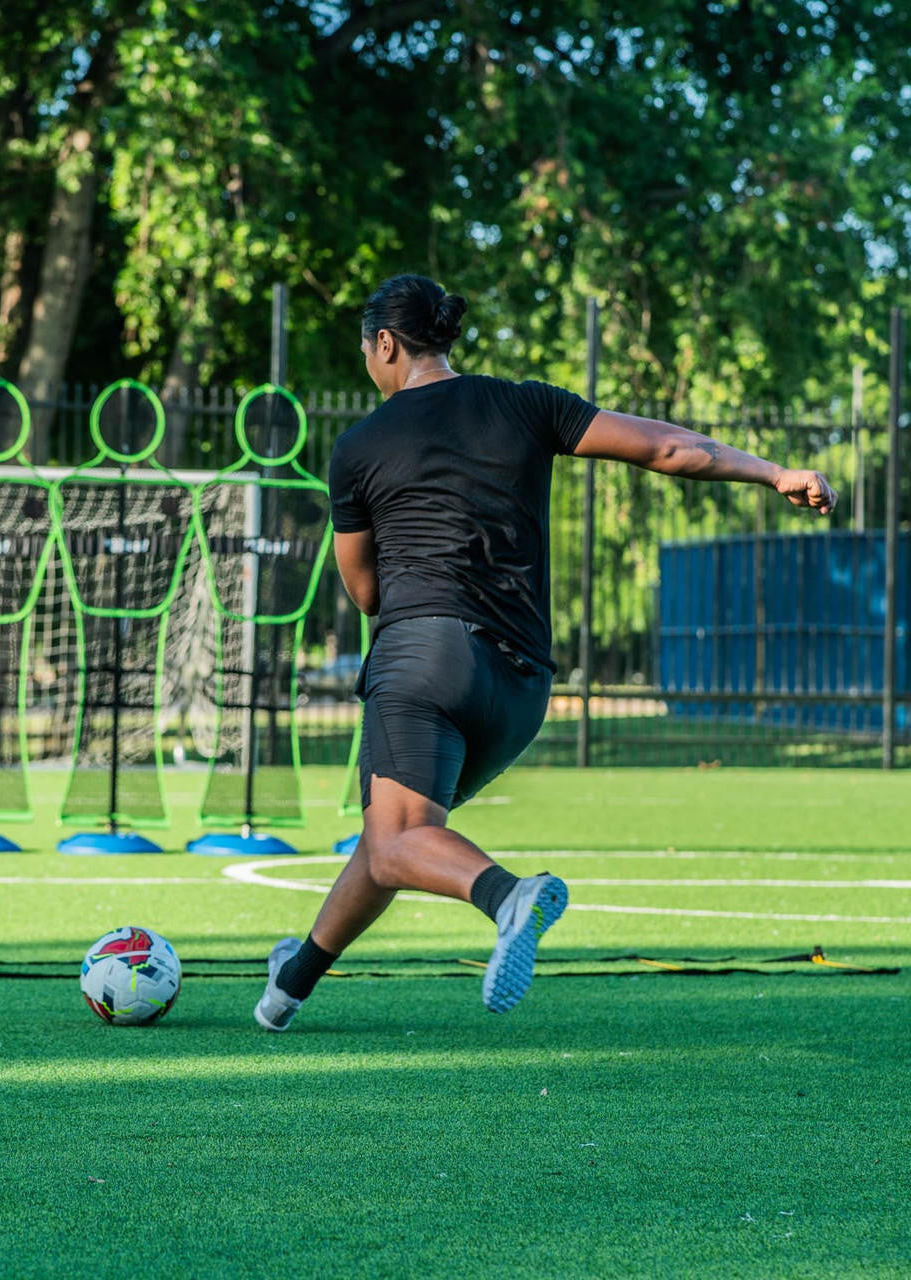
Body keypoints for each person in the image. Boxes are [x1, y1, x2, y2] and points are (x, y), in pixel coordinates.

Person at [254, 272, 837, 1031]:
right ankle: (288, 986)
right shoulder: (527, 404)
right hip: (521, 689)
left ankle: (508, 897)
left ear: (386, 344)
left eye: (366, 349)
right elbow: (668, 447)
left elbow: (365, 593)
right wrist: (775, 472)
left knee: (398, 838)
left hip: (425, 661)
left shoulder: (360, 446)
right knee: (395, 835)